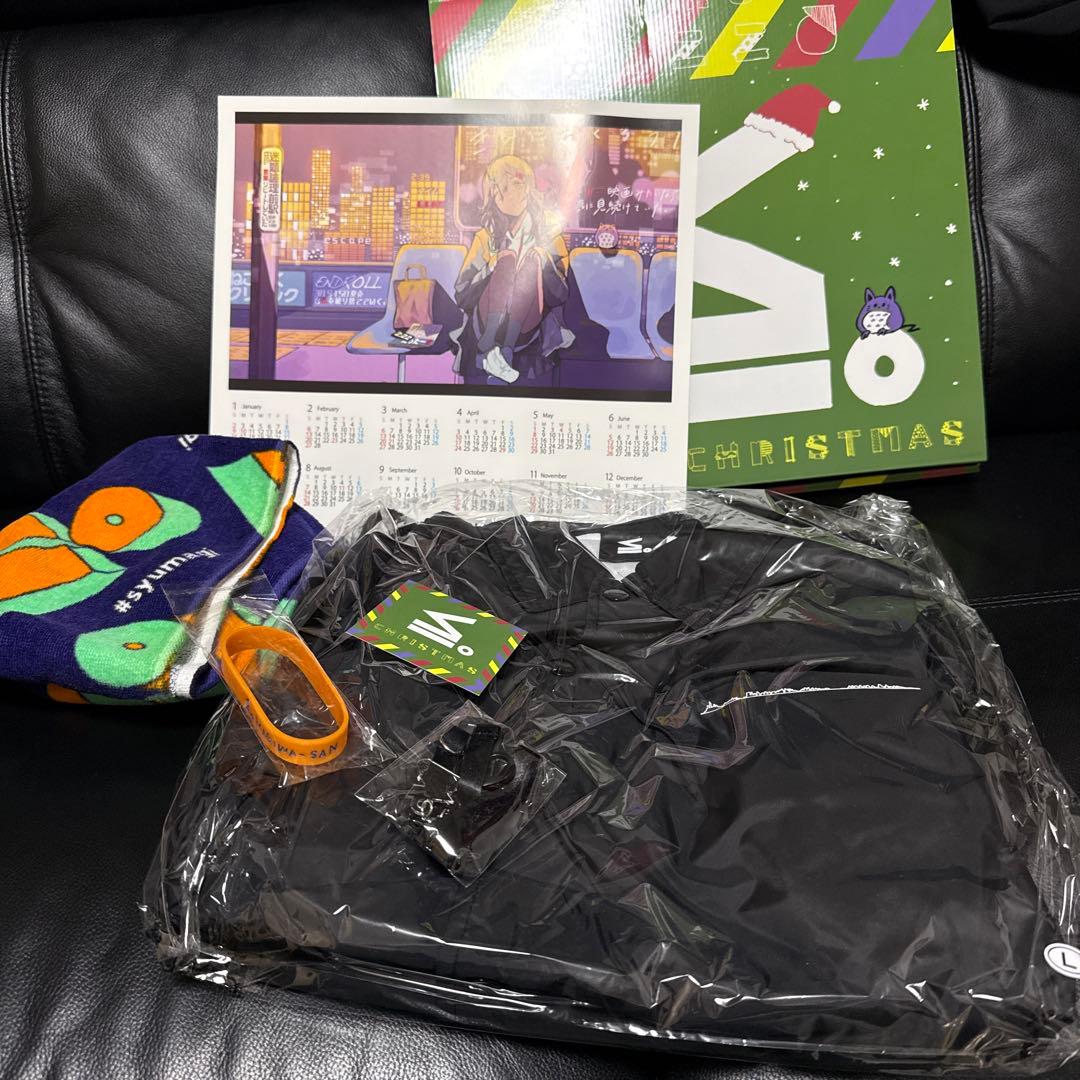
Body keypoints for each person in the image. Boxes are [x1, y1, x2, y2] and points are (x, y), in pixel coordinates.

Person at [454, 155, 573, 384]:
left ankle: (502, 352)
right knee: (506, 258)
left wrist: (543, 261)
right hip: (487, 321)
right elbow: (462, 293)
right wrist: (492, 266)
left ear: (529, 190)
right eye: (504, 187)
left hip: (529, 325)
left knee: (533, 260)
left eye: (518, 185)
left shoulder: (548, 236)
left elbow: (560, 294)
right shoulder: (485, 237)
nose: (512, 194)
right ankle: (492, 345)